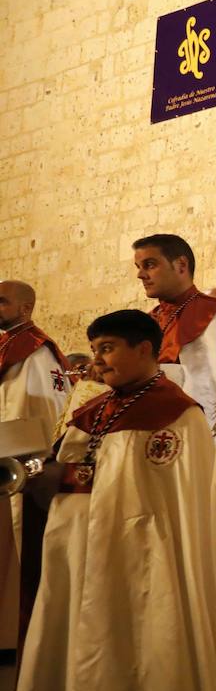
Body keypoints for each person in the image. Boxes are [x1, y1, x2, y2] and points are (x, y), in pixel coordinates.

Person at [11, 310, 216, 691]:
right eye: (94, 351)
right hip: (79, 555)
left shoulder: (175, 413)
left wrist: (73, 478)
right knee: (78, 645)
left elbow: (156, 496)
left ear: (145, 350)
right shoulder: (94, 410)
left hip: (139, 561)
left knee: (138, 649)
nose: (98, 361)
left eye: (107, 349)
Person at [0, 281, 68, 658]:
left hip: (19, 465)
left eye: (2, 300)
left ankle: (14, 637)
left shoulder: (34, 352)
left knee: (19, 551)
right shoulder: (13, 346)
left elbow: (38, 414)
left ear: (26, 308)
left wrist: (33, 462)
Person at [133, 234, 216, 428]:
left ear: (181, 265)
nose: (140, 275)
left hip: (197, 433)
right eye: (138, 267)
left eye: (149, 265)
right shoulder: (144, 323)